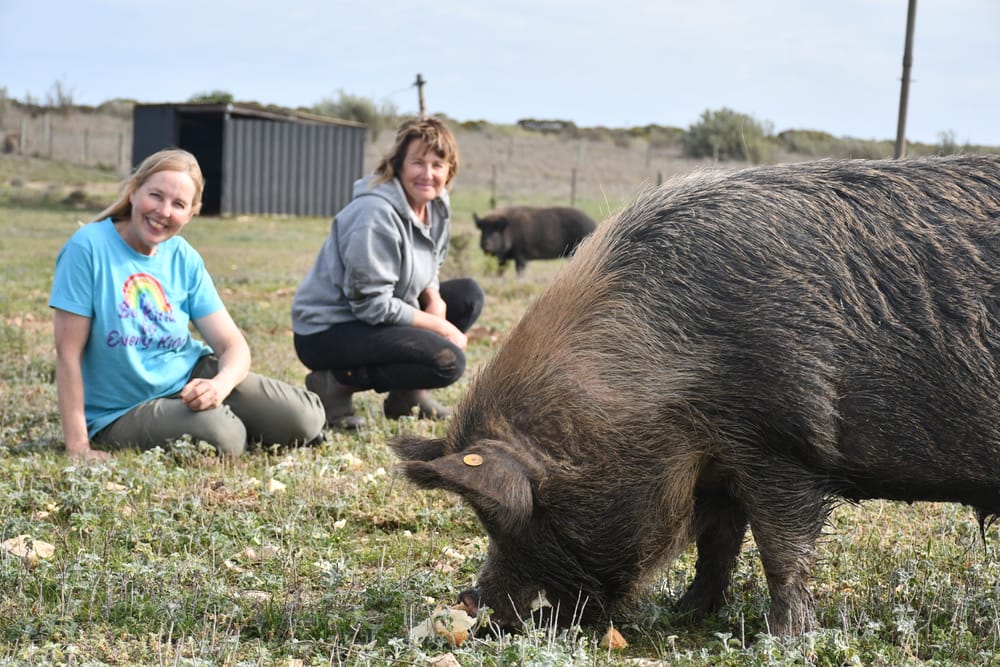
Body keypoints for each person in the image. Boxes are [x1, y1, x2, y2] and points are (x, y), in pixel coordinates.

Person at [50, 148, 326, 461]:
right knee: (225, 437)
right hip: (120, 410)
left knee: (305, 418)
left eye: (178, 204)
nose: (164, 211)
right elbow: (68, 354)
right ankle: (226, 425)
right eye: (156, 195)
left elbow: (233, 345)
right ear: (133, 191)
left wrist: (219, 387)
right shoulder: (87, 248)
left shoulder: (183, 257)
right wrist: (78, 447)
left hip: (188, 377)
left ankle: (230, 419)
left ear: (192, 212)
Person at [292, 116, 484, 428]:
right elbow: (371, 305)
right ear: (398, 165)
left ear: (450, 170)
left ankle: (407, 397)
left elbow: (430, 262)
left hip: (378, 314)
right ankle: (336, 383)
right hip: (329, 330)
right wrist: (439, 326)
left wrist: (434, 297)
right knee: (447, 362)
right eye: (417, 162)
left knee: (467, 297)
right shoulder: (375, 214)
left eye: (438, 164)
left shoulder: (436, 204)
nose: (428, 173)